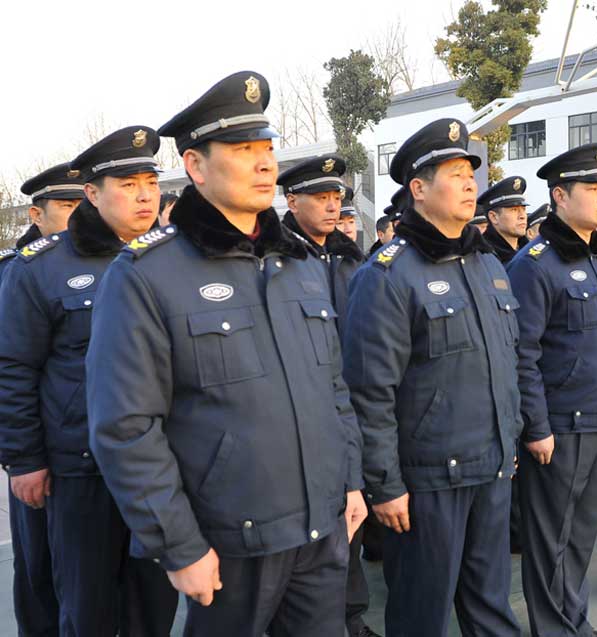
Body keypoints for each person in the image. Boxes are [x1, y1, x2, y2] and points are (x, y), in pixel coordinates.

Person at [86, 71, 366, 634]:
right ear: (195, 165)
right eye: (243, 150)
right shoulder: (146, 276)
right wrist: (180, 546)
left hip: (321, 529)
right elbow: (126, 427)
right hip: (227, 541)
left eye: (267, 149)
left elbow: (332, 388)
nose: (265, 164)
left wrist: (351, 478)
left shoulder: (298, 264)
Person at [343, 118, 521, 637]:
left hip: (490, 468)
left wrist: (508, 440)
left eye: (471, 174)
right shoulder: (387, 276)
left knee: (492, 606)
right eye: (455, 174)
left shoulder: (487, 266)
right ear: (419, 189)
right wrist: (385, 486)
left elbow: (505, 361)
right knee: (423, 613)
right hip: (427, 481)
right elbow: (370, 393)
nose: (470, 184)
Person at [0, 129, 179, 636]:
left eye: (150, 182)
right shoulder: (41, 268)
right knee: (87, 607)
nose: (145, 195)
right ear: (92, 194)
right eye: (128, 184)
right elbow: (13, 367)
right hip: (81, 469)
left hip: (162, 467)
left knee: (154, 604)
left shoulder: (175, 258)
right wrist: (25, 460)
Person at [507, 142, 597, 637]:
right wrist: (536, 426)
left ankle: (573, 621)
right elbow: (523, 352)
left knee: (581, 535)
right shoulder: (536, 264)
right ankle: (553, 628)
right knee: (551, 539)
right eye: (592, 188)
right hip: (561, 426)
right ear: (560, 196)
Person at [276, 153, 377, 637]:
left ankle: (349, 616)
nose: (332, 206)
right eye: (320, 197)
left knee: (351, 518)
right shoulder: (277, 259)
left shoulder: (351, 259)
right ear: (292, 201)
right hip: (304, 409)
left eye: (336, 196)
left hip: (352, 404)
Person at [0, 162, 84, 637]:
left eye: (85, 204)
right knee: (39, 568)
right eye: (68, 206)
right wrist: (21, 456)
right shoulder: (17, 273)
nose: (80, 215)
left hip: (91, 452)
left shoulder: (116, 264)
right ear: (37, 213)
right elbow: (10, 370)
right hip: (41, 450)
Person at [479, 175, 529, 263]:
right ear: (494, 217)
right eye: (514, 210)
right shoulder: (482, 257)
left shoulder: (530, 252)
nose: (522, 216)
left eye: (523, 209)